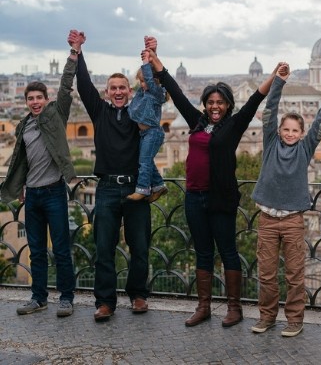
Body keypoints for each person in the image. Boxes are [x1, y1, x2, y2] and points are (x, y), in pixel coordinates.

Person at [147, 48, 281, 328]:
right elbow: (176, 92)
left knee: (228, 251)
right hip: (194, 197)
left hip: (221, 199)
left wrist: (273, 76)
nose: (215, 106)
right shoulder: (196, 121)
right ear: (205, 105)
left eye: (220, 102)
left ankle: (234, 308)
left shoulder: (234, 125)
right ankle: (204, 306)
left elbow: (256, 98)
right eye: (210, 102)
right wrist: (157, 63)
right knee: (203, 252)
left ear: (228, 105)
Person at [67, 30, 152, 322]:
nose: (117, 92)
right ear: (106, 92)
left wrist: (150, 58)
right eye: (113, 88)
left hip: (136, 188)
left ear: (130, 92)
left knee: (140, 246)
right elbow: (84, 83)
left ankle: (138, 294)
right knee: (104, 248)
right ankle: (105, 302)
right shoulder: (99, 112)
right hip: (105, 189)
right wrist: (78, 50)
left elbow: (152, 89)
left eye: (122, 88)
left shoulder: (138, 114)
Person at [251, 66, 321, 338]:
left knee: (294, 274)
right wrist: (279, 81)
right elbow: (270, 110)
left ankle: (294, 320)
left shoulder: (305, 147)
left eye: (294, 130)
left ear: (301, 133)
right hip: (266, 219)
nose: (289, 133)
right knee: (265, 274)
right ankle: (267, 316)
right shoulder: (270, 141)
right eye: (285, 129)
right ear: (279, 130)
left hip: (292, 221)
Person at [2, 49, 77, 318]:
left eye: (39, 98)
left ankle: (67, 299)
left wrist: (73, 54)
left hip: (55, 192)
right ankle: (39, 298)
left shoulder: (56, 116)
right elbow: (20, 161)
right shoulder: (23, 126)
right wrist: (20, 186)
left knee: (61, 249)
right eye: (30, 99)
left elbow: (66, 86)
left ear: (46, 100)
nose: (35, 102)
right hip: (32, 196)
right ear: (26, 102)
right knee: (36, 252)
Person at [126, 41, 168, 202]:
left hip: (153, 133)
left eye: (145, 81)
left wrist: (146, 63)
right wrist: (150, 55)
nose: (143, 85)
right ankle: (158, 186)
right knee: (146, 160)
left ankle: (142, 189)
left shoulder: (156, 94)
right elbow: (146, 80)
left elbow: (151, 79)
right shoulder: (143, 94)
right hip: (145, 133)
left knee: (144, 161)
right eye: (140, 82)